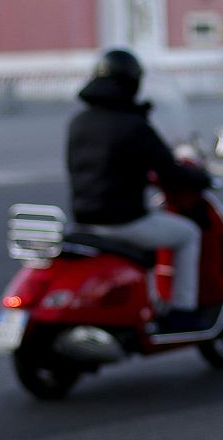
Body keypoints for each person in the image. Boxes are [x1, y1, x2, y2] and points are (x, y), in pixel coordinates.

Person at [66, 48, 211, 335]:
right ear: (131, 82)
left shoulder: (78, 122)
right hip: (124, 222)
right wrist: (201, 177)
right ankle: (182, 312)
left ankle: (148, 300)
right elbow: (171, 172)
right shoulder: (133, 125)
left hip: (85, 220)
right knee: (188, 234)